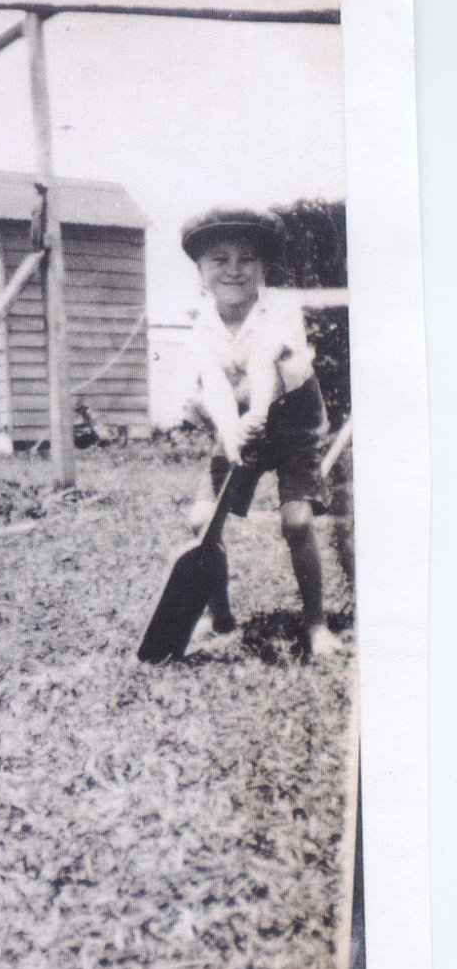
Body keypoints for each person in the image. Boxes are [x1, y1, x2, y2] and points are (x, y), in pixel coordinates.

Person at [181, 206, 339, 658]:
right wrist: (234, 437)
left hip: (293, 421)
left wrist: (257, 417)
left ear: (263, 267)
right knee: (201, 520)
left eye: (246, 258)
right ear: (201, 272)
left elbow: (264, 366)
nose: (233, 269)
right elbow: (213, 387)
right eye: (219, 259)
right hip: (243, 419)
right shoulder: (202, 327)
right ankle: (220, 618)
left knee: (297, 521)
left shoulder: (279, 310)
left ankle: (316, 624)